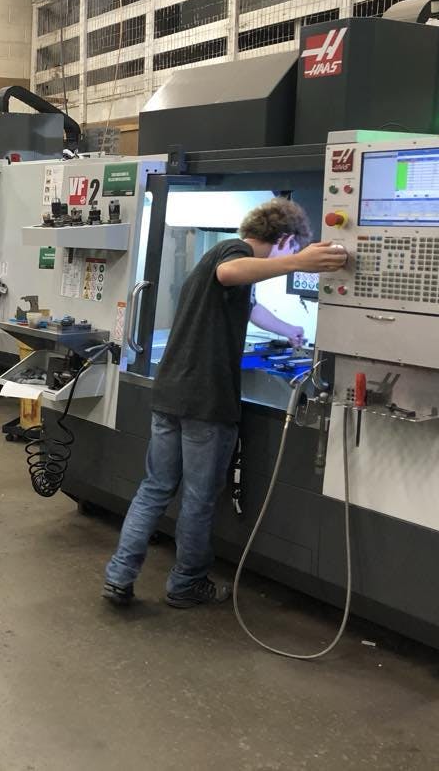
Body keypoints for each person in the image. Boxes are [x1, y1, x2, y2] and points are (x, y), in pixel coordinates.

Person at [102, 198, 348, 609]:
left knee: (155, 488)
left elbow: (247, 304)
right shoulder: (231, 255)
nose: (291, 257)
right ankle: (186, 585)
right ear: (286, 240)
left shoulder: (221, 257)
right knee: (198, 499)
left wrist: (290, 328)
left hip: (171, 392)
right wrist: (297, 264)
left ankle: (119, 576)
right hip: (205, 399)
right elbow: (231, 273)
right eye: (292, 249)